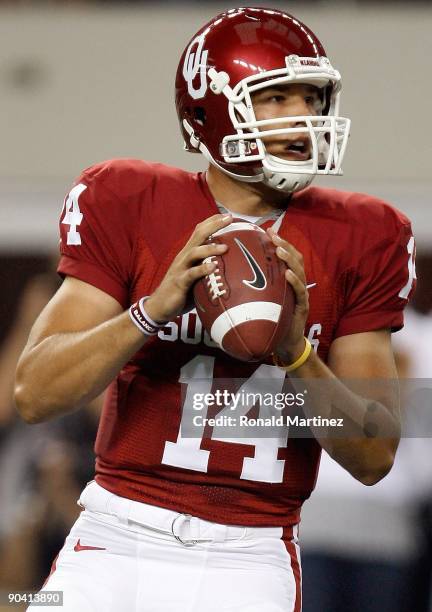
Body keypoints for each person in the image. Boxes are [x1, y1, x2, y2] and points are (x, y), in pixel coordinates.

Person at [15, 7, 416, 612]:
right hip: (114, 533)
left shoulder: (365, 233)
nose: (303, 118)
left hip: (249, 555)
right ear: (212, 108)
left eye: (312, 98)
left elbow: (372, 455)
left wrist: (297, 353)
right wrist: (150, 311)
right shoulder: (129, 200)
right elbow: (34, 393)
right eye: (279, 98)